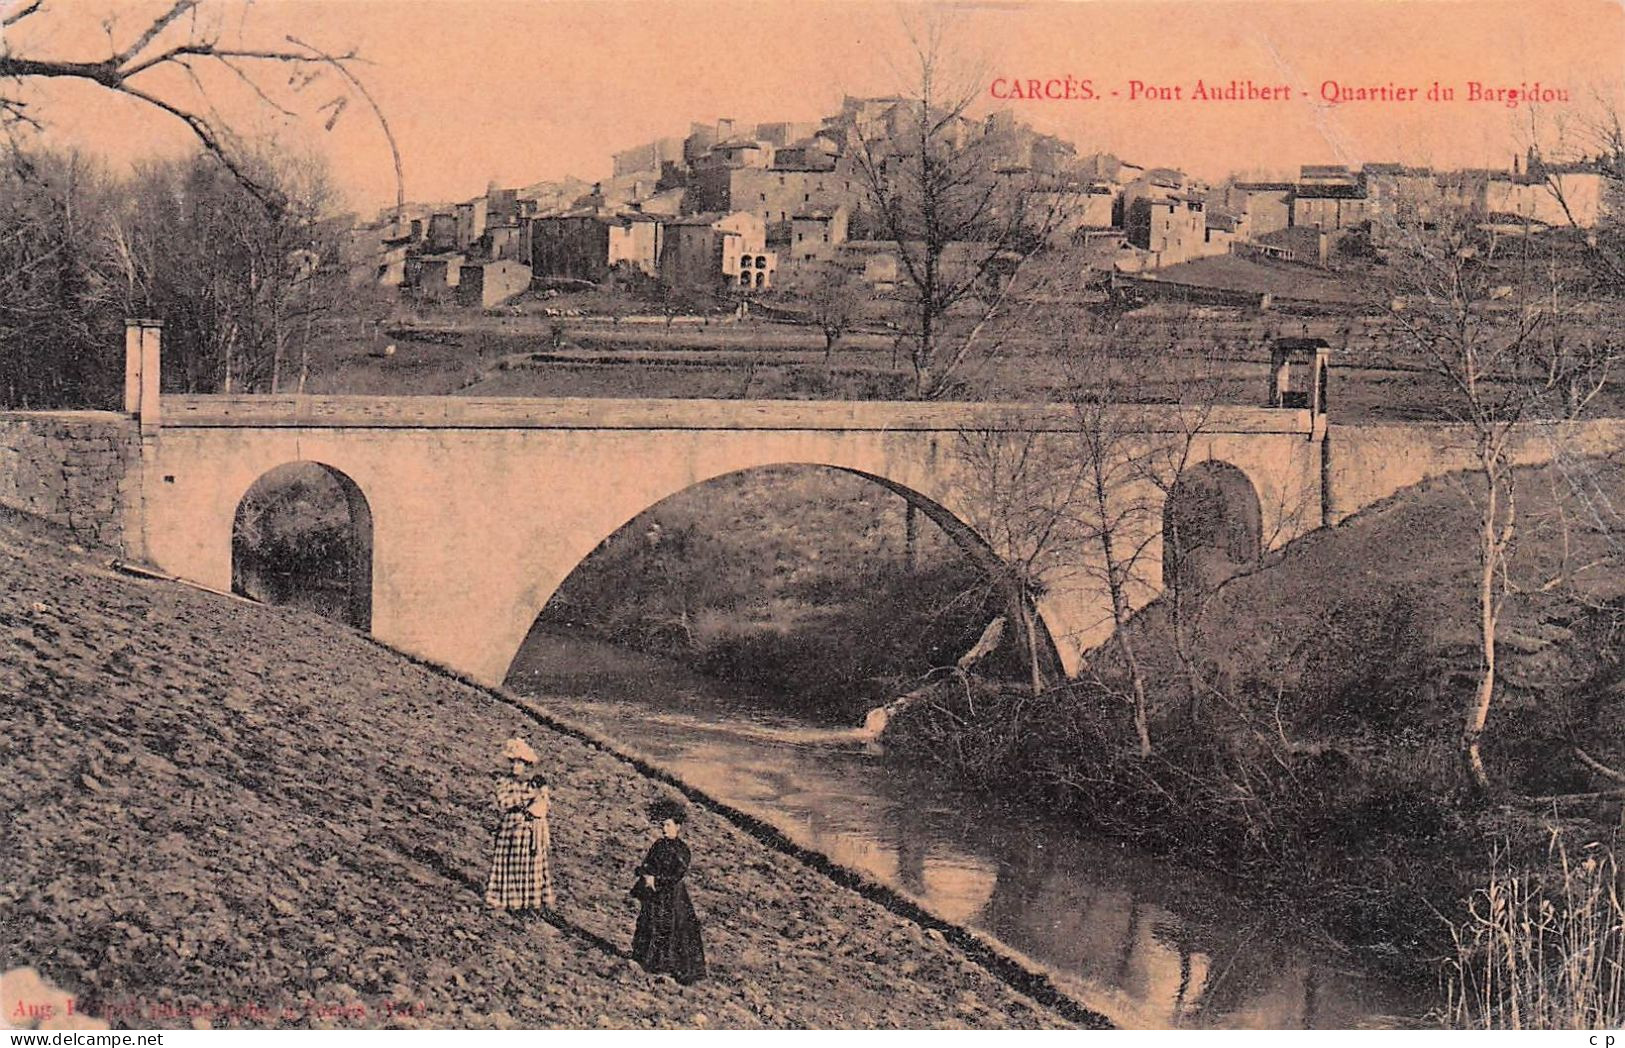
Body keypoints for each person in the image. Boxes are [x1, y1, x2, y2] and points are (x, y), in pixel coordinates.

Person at [629, 798, 706, 984]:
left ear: (677, 827)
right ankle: (648, 962)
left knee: (672, 930)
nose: (664, 829)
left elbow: (677, 875)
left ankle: (668, 967)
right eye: (663, 825)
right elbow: (647, 863)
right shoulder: (658, 845)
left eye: (668, 825)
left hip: (673, 897)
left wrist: (656, 880)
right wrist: (646, 874)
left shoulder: (682, 851)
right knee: (650, 925)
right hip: (654, 895)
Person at [484, 737, 556, 912]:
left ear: (526, 766)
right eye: (513, 763)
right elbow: (505, 803)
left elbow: (543, 805)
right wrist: (525, 798)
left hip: (527, 830)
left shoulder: (531, 784)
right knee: (508, 864)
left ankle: (528, 903)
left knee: (527, 864)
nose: (515, 767)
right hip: (510, 827)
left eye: (520, 764)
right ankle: (506, 900)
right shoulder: (504, 782)